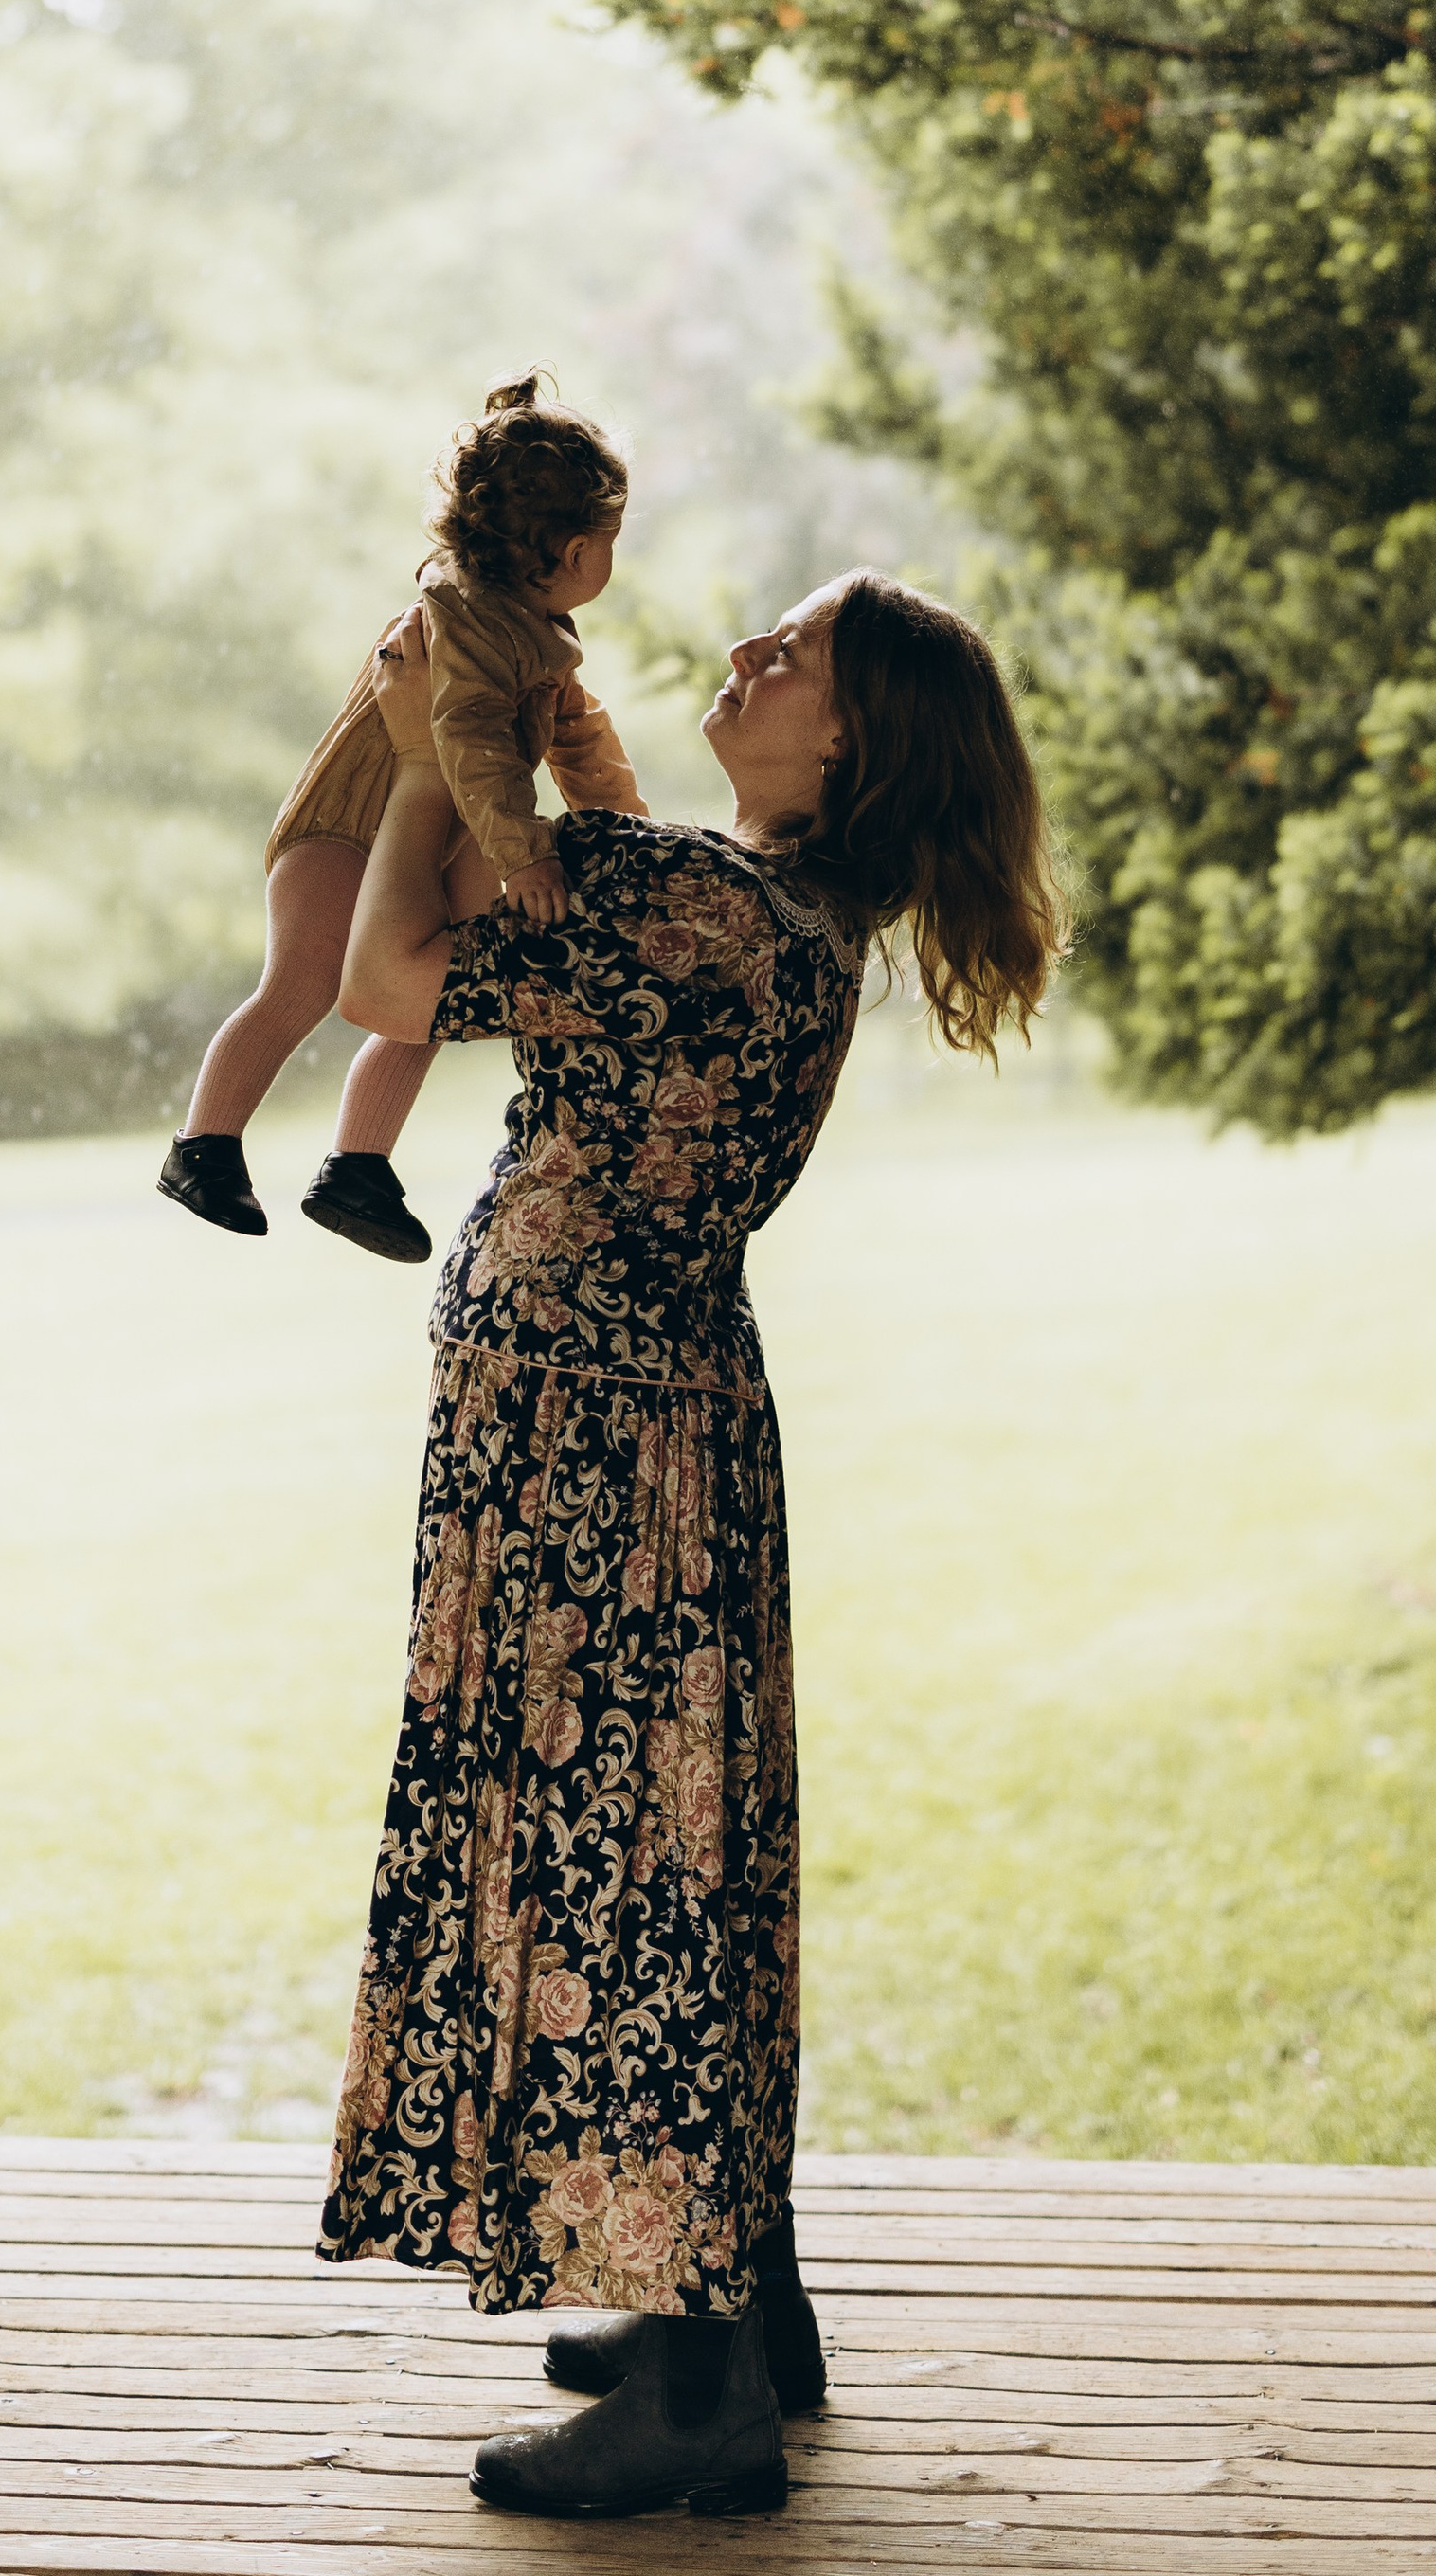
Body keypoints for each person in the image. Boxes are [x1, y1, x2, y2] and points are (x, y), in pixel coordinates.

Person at [315, 569, 1068, 2518]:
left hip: (578, 1440)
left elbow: (388, 980)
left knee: (610, 1863)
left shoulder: (689, 902)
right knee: (677, 1849)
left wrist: (418, 755)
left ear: (849, 740)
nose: (749, 654)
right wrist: (549, 769)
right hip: (661, 1421)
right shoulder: (777, 912)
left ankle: (705, 2389)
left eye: (792, 654)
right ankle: (728, 2294)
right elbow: (611, 909)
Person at [158, 377, 646, 1264]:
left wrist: (633, 836)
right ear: (574, 549)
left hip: (437, 839)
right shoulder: (463, 625)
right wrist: (525, 852)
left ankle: (358, 1167)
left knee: (429, 1001)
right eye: (612, 539)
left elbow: (580, 737)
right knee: (301, 984)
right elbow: (467, 741)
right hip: (350, 827)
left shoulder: (538, 634)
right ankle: (204, 1145)